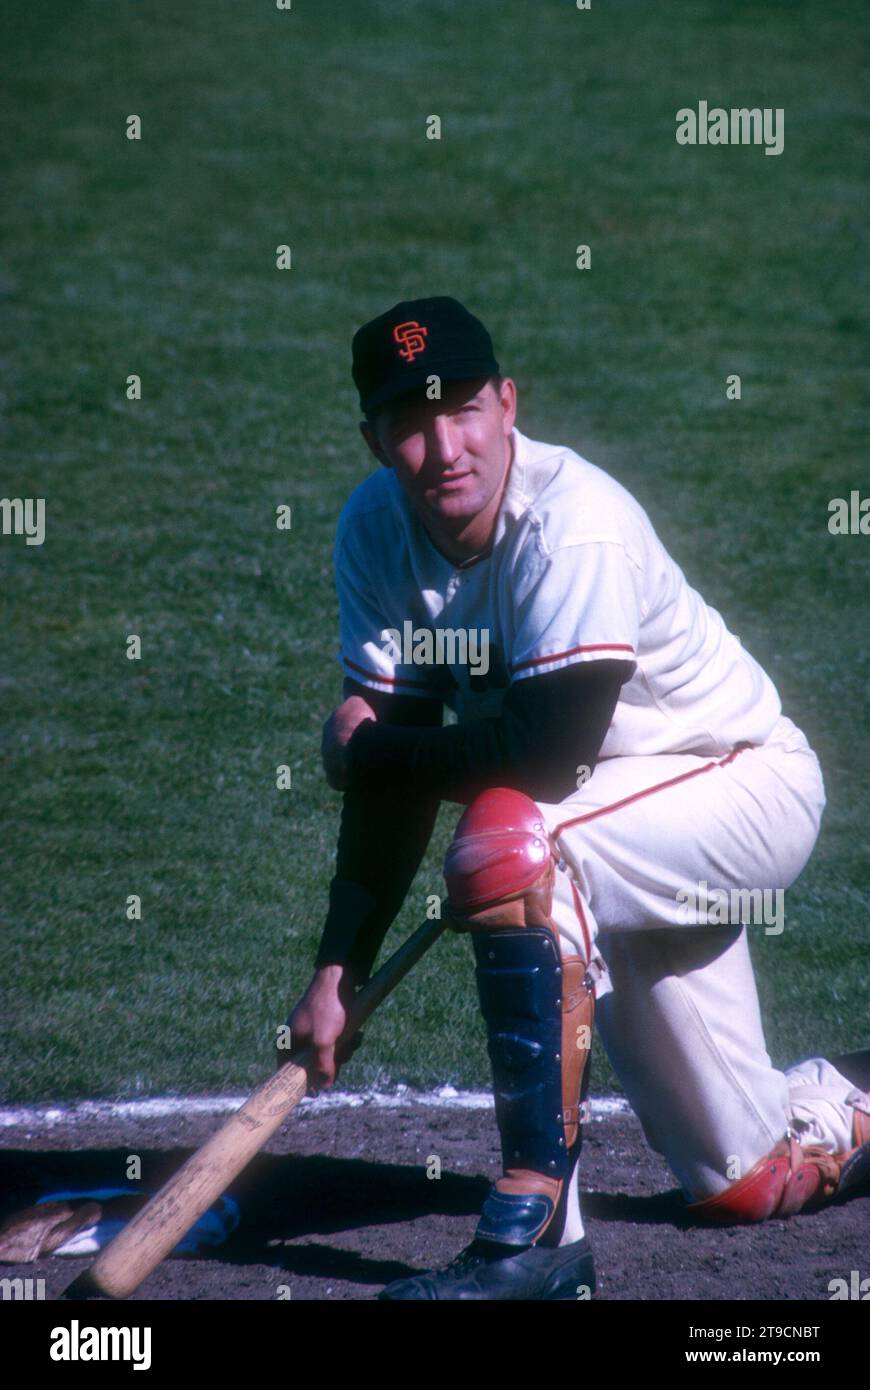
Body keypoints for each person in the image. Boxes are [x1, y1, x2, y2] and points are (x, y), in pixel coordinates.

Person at [284, 296, 870, 1301]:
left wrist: (369, 753)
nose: (445, 447)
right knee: (745, 1180)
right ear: (374, 440)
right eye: (411, 425)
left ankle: (536, 1236)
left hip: (738, 786)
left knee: (513, 843)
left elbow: (544, 754)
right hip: (614, 834)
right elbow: (402, 754)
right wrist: (340, 965)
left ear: (508, 405)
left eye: (464, 409)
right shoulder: (374, 530)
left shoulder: (573, 523)